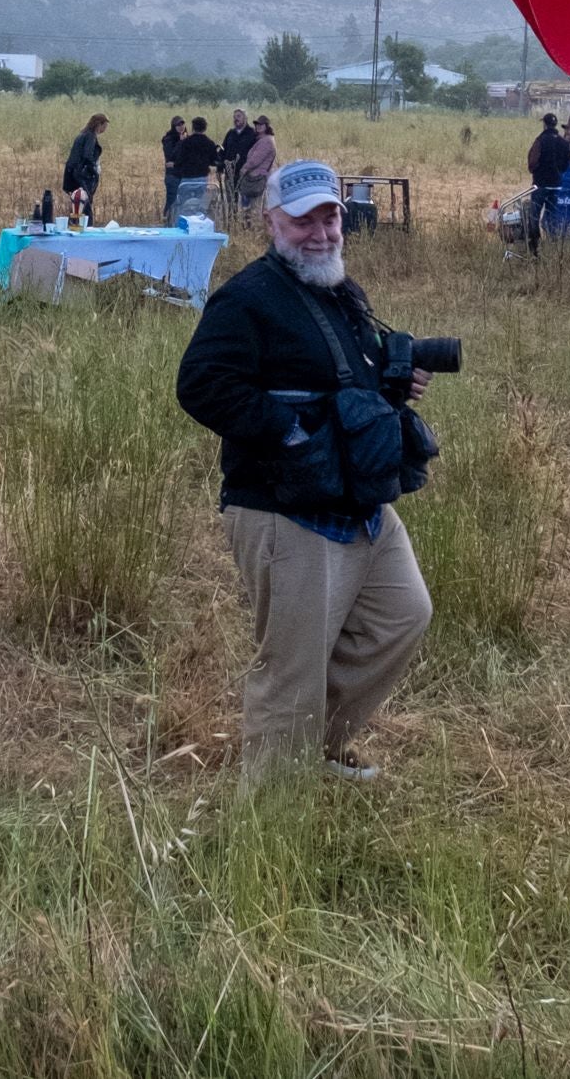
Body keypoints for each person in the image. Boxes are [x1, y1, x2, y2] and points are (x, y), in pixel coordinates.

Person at [175, 159, 436, 780]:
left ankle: (311, 751)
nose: (320, 233)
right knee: (291, 670)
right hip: (282, 507)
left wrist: (391, 386)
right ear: (270, 222)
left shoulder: (341, 292)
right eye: (303, 222)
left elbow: (346, 384)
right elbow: (201, 386)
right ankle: (267, 823)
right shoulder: (246, 300)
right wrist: (290, 432)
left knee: (401, 617)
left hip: (359, 499)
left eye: (330, 217)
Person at [526, 110, 570, 254]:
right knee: (552, 217)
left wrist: (536, 172)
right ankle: (553, 247)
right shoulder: (563, 142)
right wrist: (558, 173)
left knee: (534, 216)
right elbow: (567, 164)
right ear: (555, 125)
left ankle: (535, 248)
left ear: (545, 125)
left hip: (540, 185)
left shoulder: (540, 140)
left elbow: (532, 162)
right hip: (556, 185)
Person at [172, 114, 221, 222]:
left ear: (193, 127)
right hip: (202, 179)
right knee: (200, 206)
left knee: (184, 206)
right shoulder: (209, 143)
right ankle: (198, 225)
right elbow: (214, 161)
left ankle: (183, 224)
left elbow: (178, 160)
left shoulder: (185, 142)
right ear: (205, 128)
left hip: (187, 179)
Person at [62, 112, 106, 221]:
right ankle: (87, 232)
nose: (105, 129)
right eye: (105, 126)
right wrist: (94, 173)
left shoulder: (82, 135)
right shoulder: (90, 136)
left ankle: (74, 228)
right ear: (99, 124)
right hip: (80, 177)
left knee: (76, 207)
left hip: (71, 174)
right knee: (85, 208)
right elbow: (87, 156)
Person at [239, 116, 277, 223]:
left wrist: (244, 168)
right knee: (253, 207)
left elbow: (255, 160)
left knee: (255, 207)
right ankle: (250, 228)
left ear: (267, 126)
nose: (258, 127)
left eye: (261, 125)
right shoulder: (263, 140)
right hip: (256, 178)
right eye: (257, 124)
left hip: (258, 178)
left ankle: (254, 230)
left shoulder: (266, 141)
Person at [161, 113, 186, 222]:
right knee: (172, 201)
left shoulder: (186, 138)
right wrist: (180, 142)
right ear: (173, 126)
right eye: (178, 125)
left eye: (182, 123)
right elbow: (170, 156)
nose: (181, 126)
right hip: (172, 176)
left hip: (184, 175)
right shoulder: (168, 139)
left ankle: (175, 222)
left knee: (182, 202)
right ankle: (166, 221)